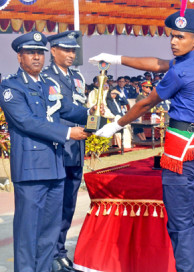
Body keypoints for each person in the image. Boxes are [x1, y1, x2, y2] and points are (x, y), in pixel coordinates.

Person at [89, 8, 194, 272]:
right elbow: (157, 63)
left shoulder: (180, 72)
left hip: (179, 152)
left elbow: (147, 103)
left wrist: (116, 124)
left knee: (180, 224)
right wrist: (116, 58)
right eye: (172, 36)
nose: (173, 41)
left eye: (180, 37)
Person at [0, 31, 93, 272]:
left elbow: (69, 109)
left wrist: (100, 119)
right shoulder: (11, 86)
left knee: (49, 233)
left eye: (39, 53)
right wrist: (67, 134)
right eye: (30, 53)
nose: (37, 58)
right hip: (31, 169)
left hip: (55, 166)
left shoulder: (48, 85)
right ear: (19, 57)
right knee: (28, 232)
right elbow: (27, 122)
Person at [43, 30, 87, 272]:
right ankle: (50, 253)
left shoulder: (77, 77)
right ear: (53, 51)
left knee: (69, 204)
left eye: (73, 50)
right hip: (58, 147)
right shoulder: (45, 77)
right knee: (55, 204)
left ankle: (59, 251)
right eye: (66, 50)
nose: (71, 54)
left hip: (76, 149)